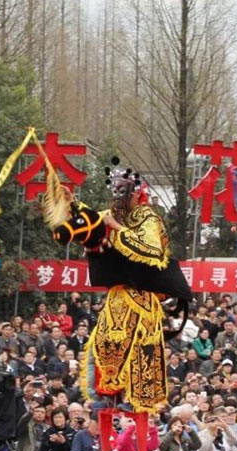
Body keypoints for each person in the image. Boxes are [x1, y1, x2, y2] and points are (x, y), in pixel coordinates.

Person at [74, 158, 193, 413]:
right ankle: (107, 393)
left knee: (141, 347)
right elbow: (89, 228)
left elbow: (150, 250)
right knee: (102, 341)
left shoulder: (148, 217)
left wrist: (115, 228)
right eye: (115, 193)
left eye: (123, 193)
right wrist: (72, 205)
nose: (118, 200)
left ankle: (133, 396)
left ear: (136, 194)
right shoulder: (110, 216)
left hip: (143, 297)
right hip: (117, 296)